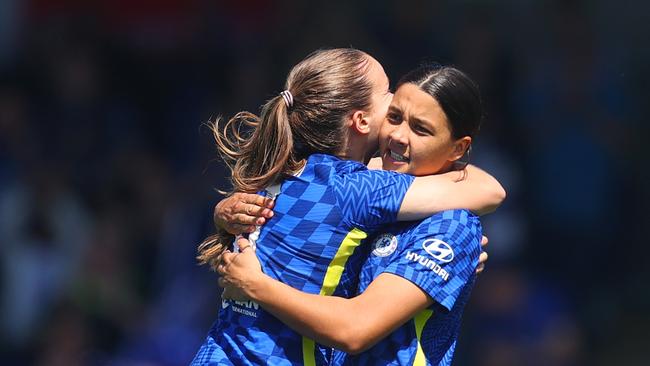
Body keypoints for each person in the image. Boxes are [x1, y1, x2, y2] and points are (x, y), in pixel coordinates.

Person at [192, 49, 504, 365]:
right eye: (392, 109)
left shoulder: (282, 168)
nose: (397, 134)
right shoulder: (359, 189)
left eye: (420, 128)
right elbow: (489, 189)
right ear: (361, 120)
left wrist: (226, 225)